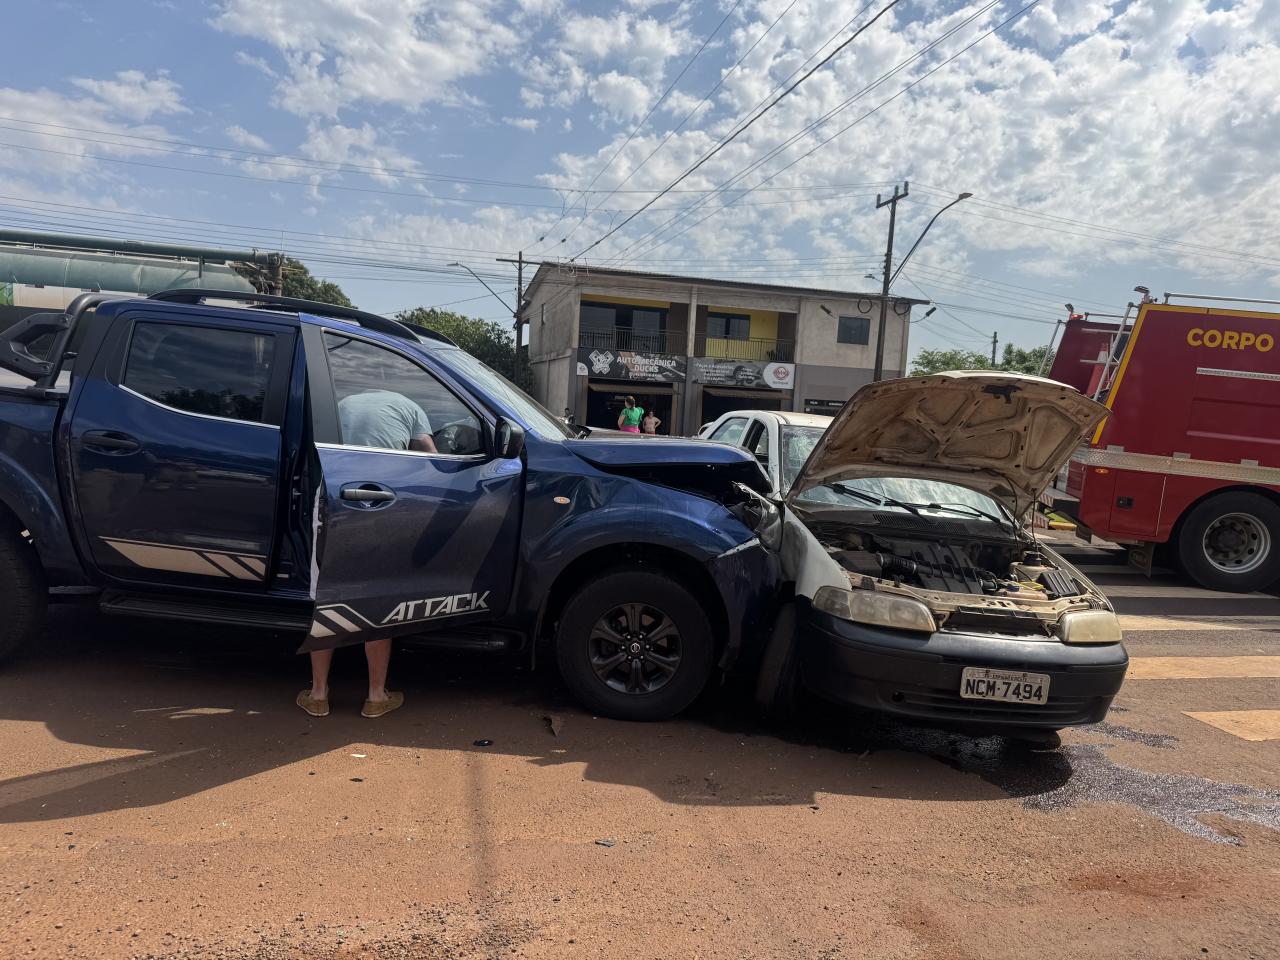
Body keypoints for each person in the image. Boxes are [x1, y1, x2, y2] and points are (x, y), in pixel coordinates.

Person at [296, 388, 436, 719]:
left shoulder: (341, 403)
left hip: (335, 497)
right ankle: (376, 696)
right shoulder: (411, 405)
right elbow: (431, 457)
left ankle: (318, 694)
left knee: (328, 598)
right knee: (379, 599)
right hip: (384, 500)